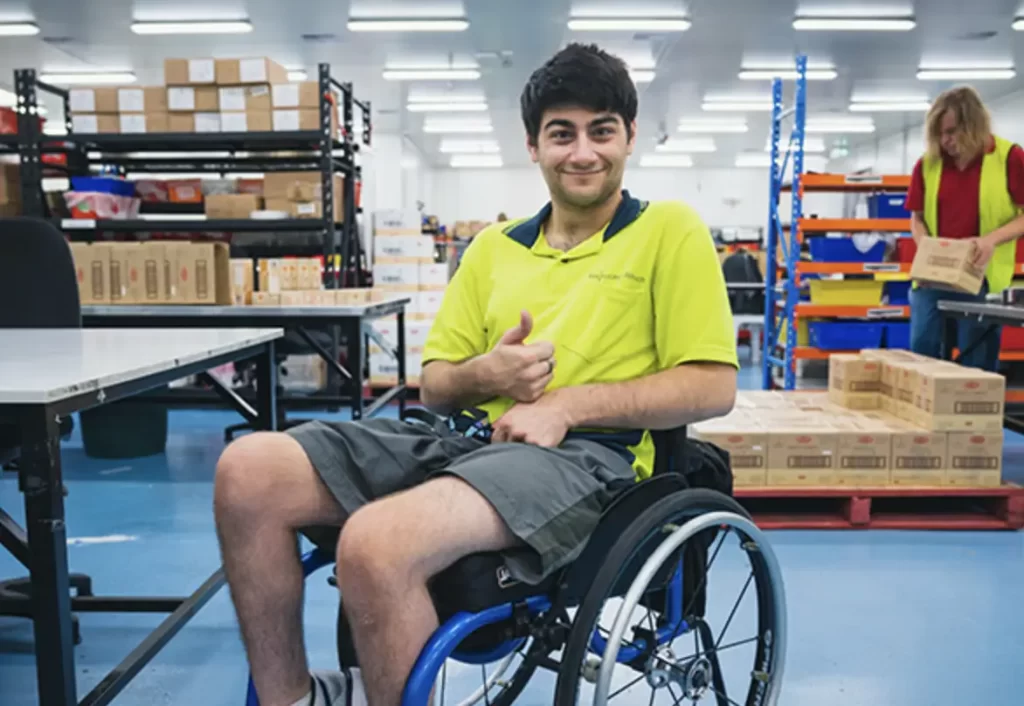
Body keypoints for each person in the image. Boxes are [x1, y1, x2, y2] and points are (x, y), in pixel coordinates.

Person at [213, 43, 738, 706]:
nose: (582, 152)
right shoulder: (493, 247)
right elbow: (435, 383)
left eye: (601, 130)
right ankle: (295, 696)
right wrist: (485, 371)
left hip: (591, 461)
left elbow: (713, 384)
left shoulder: (668, 231)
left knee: (376, 543)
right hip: (469, 439)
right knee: (248, 471)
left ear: (630, 136)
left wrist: (566, 406)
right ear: (532, 146)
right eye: (561, 133)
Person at [906, 85, 1024, 370]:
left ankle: (972, 414)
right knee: (922, 353)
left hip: (981, 278)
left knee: (976, 363)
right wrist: (925, 246)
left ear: (974, 125)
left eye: (952, 131)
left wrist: (990, 240)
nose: (945, 140)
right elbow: (917, 217)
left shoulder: (1010, 157)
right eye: (939, 134)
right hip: (933, 278)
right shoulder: (928, 164)